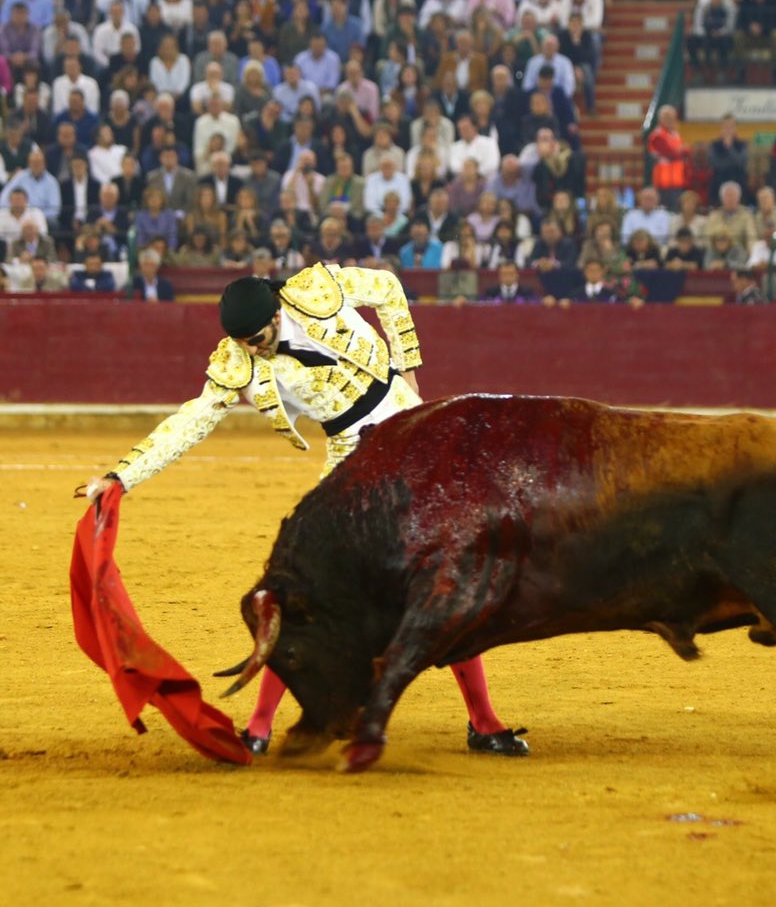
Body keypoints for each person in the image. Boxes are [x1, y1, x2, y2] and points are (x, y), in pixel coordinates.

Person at [84, 266, 528, 760]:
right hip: (349, 454)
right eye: (242, 343)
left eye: (256, 338)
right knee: (302, 592)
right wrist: (122, 476)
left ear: (276, 314)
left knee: (447, 577)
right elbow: (189, 422)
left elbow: (387, 287)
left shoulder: (317, 290)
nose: (251, 350)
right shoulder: (239, 361)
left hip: (411, 428)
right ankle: (258, 725)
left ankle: (484, 723)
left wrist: (407, 365)